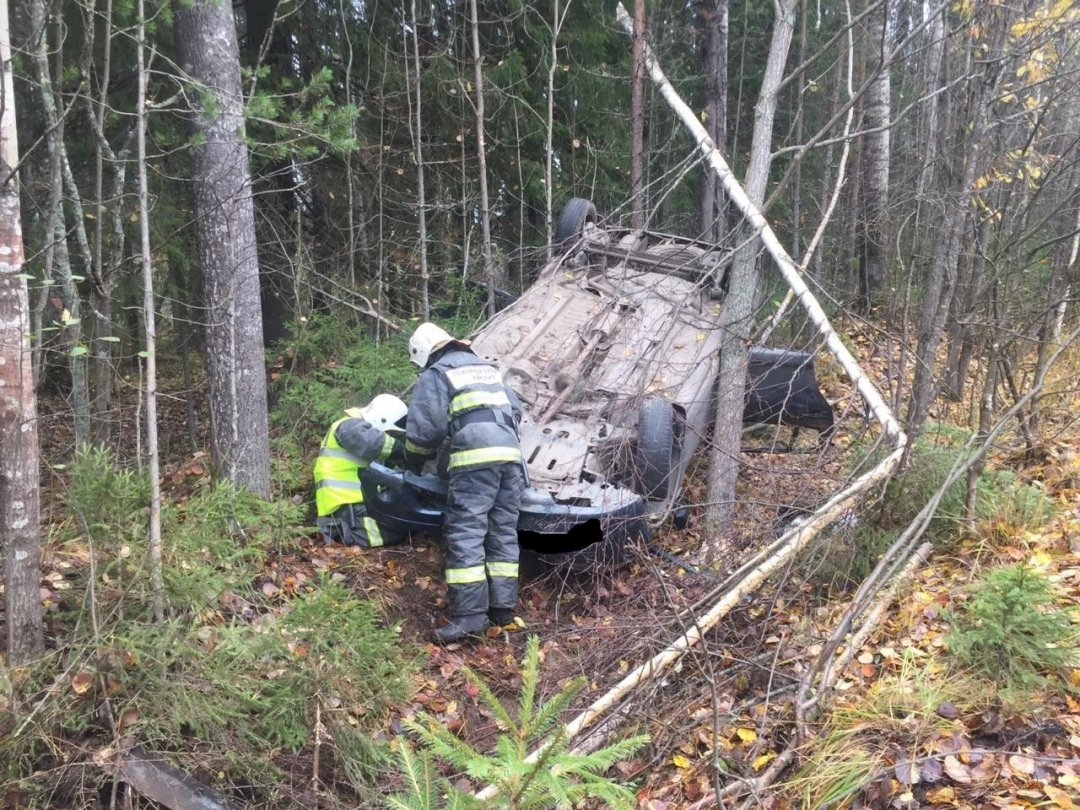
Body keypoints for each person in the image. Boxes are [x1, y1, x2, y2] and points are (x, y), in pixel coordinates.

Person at [405, 322, 524, 644]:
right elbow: (515, 410)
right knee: (502, 530)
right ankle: (502, 609)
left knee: (467, 530)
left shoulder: (437, 373)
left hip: (475, 460)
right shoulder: (488, 369)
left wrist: (414, 459)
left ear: (425, 354)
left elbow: (424, 432)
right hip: (511, 457)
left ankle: (470, 617)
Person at [314, 394, 409, 548]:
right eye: (389, 431)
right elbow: (374, 442)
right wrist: (406, 450)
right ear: (381, 418)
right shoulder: (348, 426)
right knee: (399, 530)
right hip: (348, 509)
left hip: (353, 508)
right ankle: (341, 535)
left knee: (405, 525)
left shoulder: (354, 429)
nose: (389, 435)